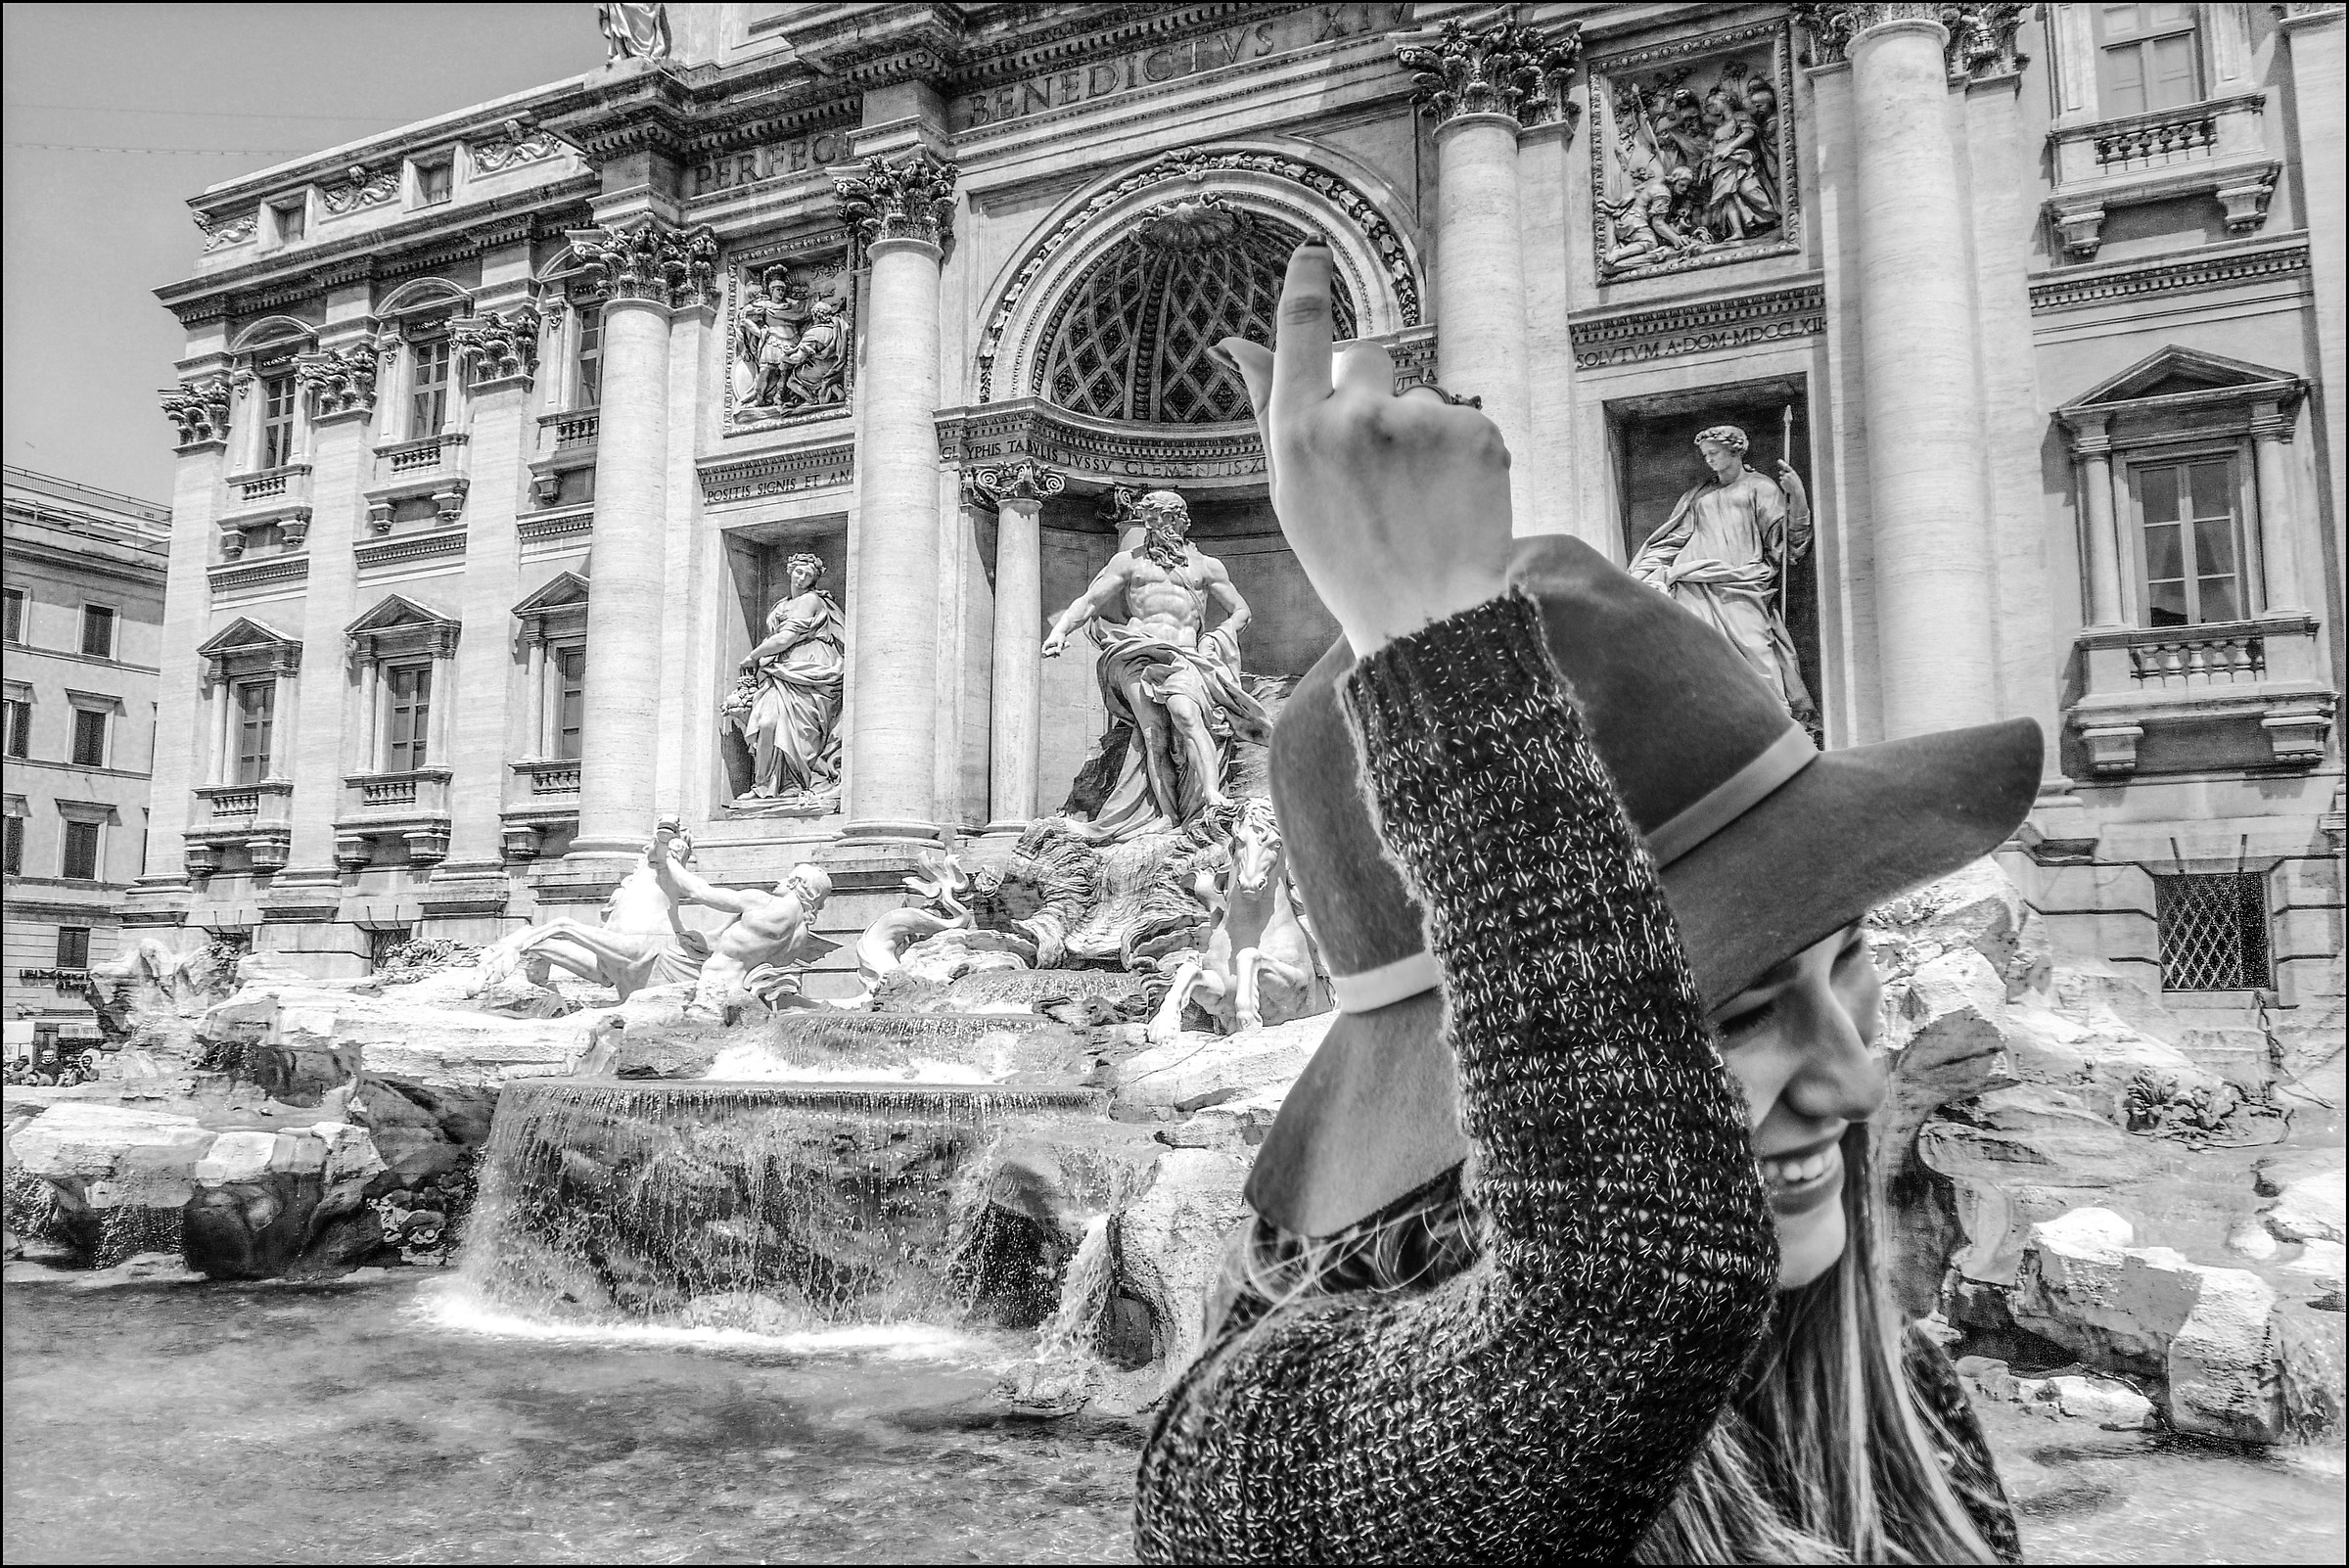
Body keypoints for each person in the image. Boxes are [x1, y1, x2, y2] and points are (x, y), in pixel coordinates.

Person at [1134, 241, 2037, 1561]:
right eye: (1722, 1012)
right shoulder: (1264, 1453)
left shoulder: (1898, 1408)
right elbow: (1630, 1290)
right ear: (1499, 1047)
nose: (1852, 1078)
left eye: (1845, 965)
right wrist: (1435, 647)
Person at [1042, 489, 1270, 841]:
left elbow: (1241, 610)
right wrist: (1060, 631)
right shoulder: (1128, 563)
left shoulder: (1206, 567)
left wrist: (1218, 636)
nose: (1156, 529)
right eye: (1149, 522)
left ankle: (1211, 795)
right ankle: (1167, 814)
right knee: (1154, 734)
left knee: (1186, 716)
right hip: (1137, 652)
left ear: (1180, 520)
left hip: (1184, 656)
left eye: (1162, 520)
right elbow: (1090, 601)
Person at [1631, 423, 1818, 726]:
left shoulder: (1761, 487)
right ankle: (1710, 721)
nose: (1709, 460)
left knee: (1758, 651)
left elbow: (1788, 542)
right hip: (1693, 581)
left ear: (1735, 451)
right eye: (1705, 455)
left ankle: (1775, 723)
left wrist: (1797, 495)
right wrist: (1641, 573)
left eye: (1714, 453)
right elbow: (1672, 540)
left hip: (1742, 582)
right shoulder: (1699, 495)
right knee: (1698, 654)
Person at [649, 818, 833, 1016]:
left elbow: (699, 892)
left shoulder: (763, 903)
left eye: (786, 879)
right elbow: (751, 951)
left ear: (794, 883)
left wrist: (672, 859)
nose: (779, 881)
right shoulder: (801, 934)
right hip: (748, 999)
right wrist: (710, 944)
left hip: (714, 993)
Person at [723, 552, 845, 805]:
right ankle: (764, 786)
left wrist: (753, 657)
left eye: (808, 575)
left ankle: (795, 783)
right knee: (767, 723)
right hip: (779, 671)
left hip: (807, 668)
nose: (801, 578)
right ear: (790, 570)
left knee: (798, 729)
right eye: (798, 571)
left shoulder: (810, 600)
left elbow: (785, 638)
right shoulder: (780, 605)